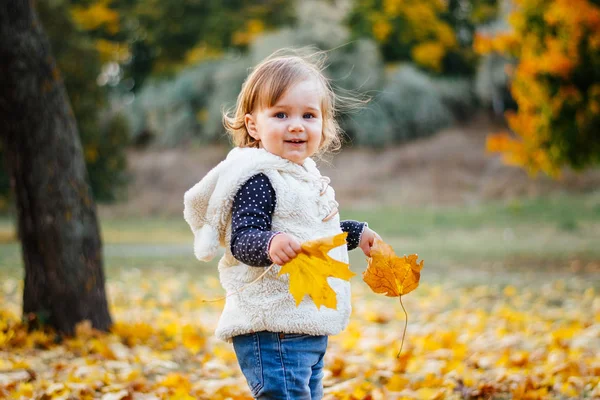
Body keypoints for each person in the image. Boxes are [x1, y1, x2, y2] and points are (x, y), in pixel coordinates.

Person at [183, 49, 379, 400]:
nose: (296, 125)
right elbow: (242, 238)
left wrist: (354, 233)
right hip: (273, 327)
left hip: (306, 324)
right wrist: (270, 243)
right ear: (253, 125)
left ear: (324, 124)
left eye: (308, 115)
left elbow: (315, 233)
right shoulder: (259, 178)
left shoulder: (304, 177)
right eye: (281, 114)